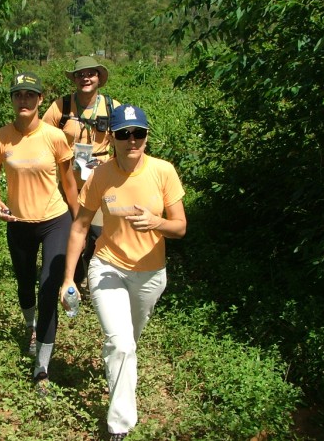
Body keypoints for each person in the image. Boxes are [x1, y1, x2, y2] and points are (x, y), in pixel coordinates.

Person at [59, 104, 187, 440]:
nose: (132, 140)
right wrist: (69, 278)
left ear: (146, 135)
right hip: (108, 267)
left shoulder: (163, 172)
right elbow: (80, 227)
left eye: (138, 133)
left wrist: (157, 222)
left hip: (150, 274)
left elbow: (180, 227)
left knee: (127, 342)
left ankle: (116, 359)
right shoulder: (101, 175)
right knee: (122, 344)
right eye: (124, 134)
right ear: (112, 138)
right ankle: (119, 424)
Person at [0, 72, 79, 395]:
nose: (23, 100)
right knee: (24, 282)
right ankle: (31, 327)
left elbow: (68, 183)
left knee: (48, 286)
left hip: (55, 219)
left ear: (40, 100)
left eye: (30, 95)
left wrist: (78, 220)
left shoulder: (54, 137)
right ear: (12, 100)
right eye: (18, 95)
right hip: (18, 222)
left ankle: (42, 368)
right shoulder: (1, 137)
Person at [43, 56, 120, 291]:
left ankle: (94, 276)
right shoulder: (61, 106)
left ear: (99, 78)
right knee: (68, 230)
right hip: (68, 182)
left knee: (98, 232)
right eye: (80, 74)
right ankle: (71, 277)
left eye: (91, 73)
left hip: (100, 181)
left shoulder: (111, 106)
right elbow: (42, 136)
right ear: (74, 79)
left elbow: (125, 142)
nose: (85, 78)